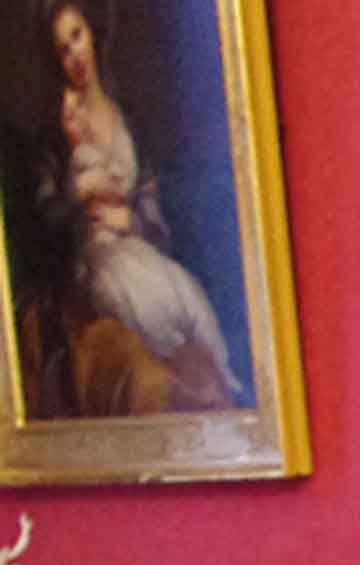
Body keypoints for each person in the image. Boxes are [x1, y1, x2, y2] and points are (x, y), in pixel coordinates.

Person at [30, 1, 244, 415]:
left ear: (92, 34)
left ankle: (230, 394)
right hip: (95, 261)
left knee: (188, 295)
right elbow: (48, 224)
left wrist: (130, 220)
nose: (74, 54)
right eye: (62, 49)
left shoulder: (128, 118)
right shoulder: (55, 136)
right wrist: (79, 202)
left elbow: (153, 210)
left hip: (140, 247)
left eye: (77, 36)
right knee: (138, 301)